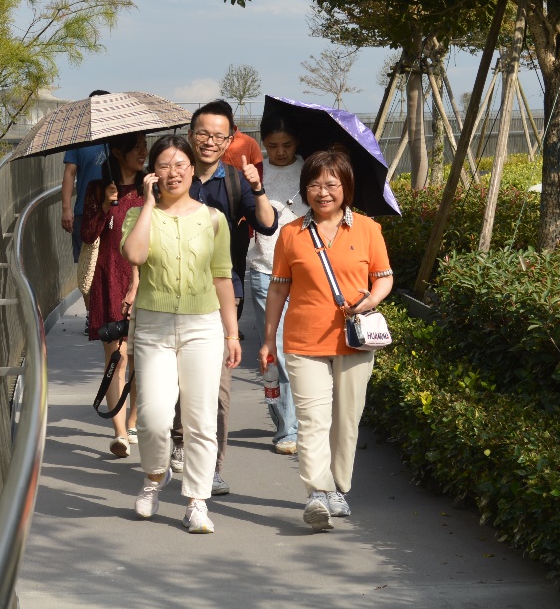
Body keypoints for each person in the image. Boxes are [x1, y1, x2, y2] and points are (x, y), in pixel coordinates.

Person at [259, 149, 394, 531]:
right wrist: (268, 339)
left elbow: (384, 277)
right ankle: (318, 492)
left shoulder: (368, 230)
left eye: (331, 184)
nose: (322, 192)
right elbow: (278, 289)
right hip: (304, 341)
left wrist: (371, 299)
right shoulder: (291, 233)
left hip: (354, 341)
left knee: (347, 420)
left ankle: (338, 487)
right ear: (305, 189)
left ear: (346, 187)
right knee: (312, 419)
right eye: (314, 185)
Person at [121, 135, 242, 534]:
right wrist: (148, 204)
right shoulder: (137, 215)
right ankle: (155, 477)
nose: (173, 173)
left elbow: (222, 277)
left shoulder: (214, 219)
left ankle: (197, 502)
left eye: (180, 165)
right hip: (153, 326)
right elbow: (134, 255)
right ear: (152, 173)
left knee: (201, 418)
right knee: (153, 417)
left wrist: (232, 334)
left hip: (203, 326)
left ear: (192, 169)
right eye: (164, 166)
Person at [169, 100, 276, 494]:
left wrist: (257, 187)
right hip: (171, 293)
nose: (210, 141)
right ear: (190, 134)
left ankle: (211, 466)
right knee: (177, 379)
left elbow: (267, 225)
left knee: (218, 385)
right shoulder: (171, 175)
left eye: (219, 135)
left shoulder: (233, 181)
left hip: (222, 294)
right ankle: (179, 440)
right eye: (203, 133)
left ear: (231, 140)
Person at [80, 131, 145, 457]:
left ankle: (133, 421)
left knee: (140, 359)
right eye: (137, 148)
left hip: (144, 280)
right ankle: (120, 432)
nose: (143, 153)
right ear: (118, 152)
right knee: (116, 357)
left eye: (145, 147)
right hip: (109, 278)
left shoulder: (150, 188)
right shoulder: (98, 188)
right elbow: (87, 234)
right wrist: (105, 205)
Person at [243, 113, 305, 455]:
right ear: (263, 143)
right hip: (266, 270)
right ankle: (287, 428)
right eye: (272, 145)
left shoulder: (312, 170)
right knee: (277, 351)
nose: (280, 152)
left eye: (287, 145)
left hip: (307, 274)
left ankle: (302, 420)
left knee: (303, 351)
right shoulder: (255, 172)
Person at [62, 90, 111, 331]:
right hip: (85, 212)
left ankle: (112, 313)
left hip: (115, 211)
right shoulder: (79, 138)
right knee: (87, 267)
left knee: (111, 264)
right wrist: (66, 208)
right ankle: (93, 315)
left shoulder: (119, 138)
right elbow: (69, 173)